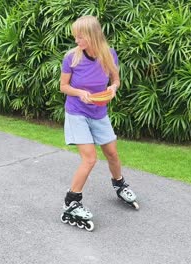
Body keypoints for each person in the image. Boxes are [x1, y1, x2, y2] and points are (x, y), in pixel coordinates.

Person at [59, 15, 138, 230]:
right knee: (90, 159)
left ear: (92, 36)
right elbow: (63, 87)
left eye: (80, 36)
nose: (76, 40)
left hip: (99, 111)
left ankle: (120, 185)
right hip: (77, 112)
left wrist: (113, 88)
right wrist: (79, 92)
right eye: (75, 36)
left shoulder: (109, 55)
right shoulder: (71, 58)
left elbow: (116, 79)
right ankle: (72, 202)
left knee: (112, 153)